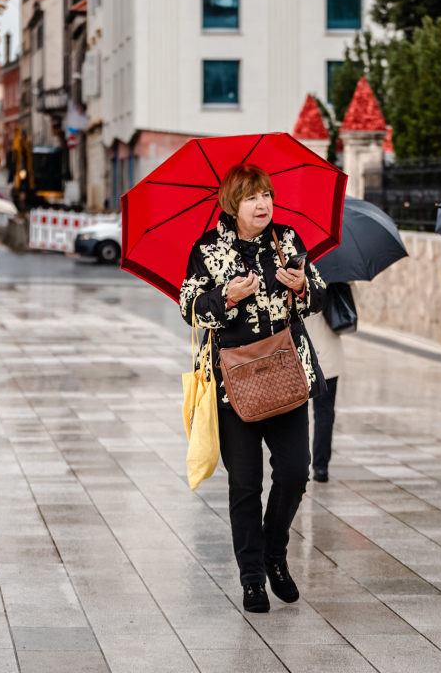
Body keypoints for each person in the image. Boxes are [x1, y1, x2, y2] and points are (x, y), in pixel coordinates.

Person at [179, 164, 327, 614]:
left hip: (285, 373)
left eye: (266, 195)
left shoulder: (288, 240)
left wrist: (303, 286)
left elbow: (320, 296)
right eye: (251, 197)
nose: (263, 204)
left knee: (295, 473)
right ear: (231, 203)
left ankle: (274, 551)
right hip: (233, 384)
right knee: (245, 484)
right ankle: (251, 577)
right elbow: (189, 307)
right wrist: (226, 297)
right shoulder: (206, 250)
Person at [304, 288, 348, 483]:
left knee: (296, 416)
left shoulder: (291, 269)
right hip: (329, 353)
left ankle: (299, 465)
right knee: (324, 413)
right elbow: (352, 306)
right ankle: (321, 468)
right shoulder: (338, 271)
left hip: (300, 353)